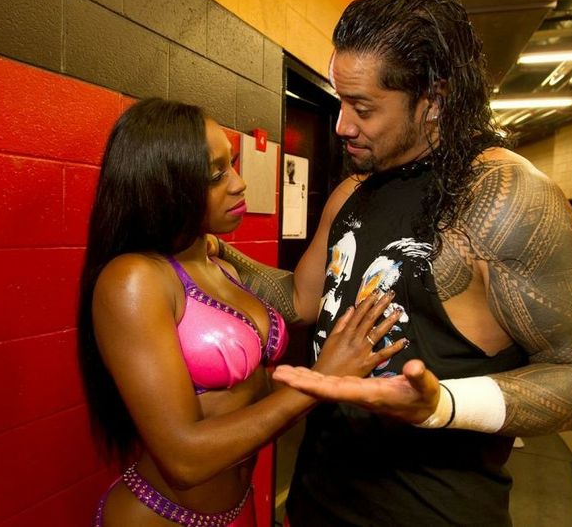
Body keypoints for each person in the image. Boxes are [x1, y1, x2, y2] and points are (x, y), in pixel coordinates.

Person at [213, 0, 572, 526]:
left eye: (362, 107)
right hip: (318, 504)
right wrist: (216, 251)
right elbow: (300, 299)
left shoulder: (505, 199)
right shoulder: (353, 192)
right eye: (341, 101)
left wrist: (442, 406)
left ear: (435, 100)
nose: (341, 124)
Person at [77, 98, 407, 527]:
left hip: (239, 510)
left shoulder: (220, 264)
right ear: (166, 184)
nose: (238, 183)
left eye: (232, 163)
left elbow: (286, 327)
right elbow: (184, 458)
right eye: (216, 175)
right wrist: (321, 379)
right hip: (164, 516)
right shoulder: (134, 280)